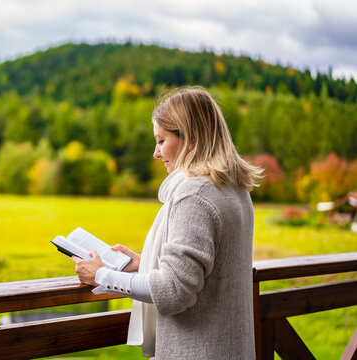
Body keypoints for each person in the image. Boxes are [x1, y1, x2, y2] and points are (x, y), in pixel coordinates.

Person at [72, 87, 262, 359]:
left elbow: (174, 291)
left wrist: (101, 275)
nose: (156, 153)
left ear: (191, 139)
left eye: (161, 141)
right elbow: (209, 267)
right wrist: (145, 261)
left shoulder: (194, 195)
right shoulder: (234, 189)